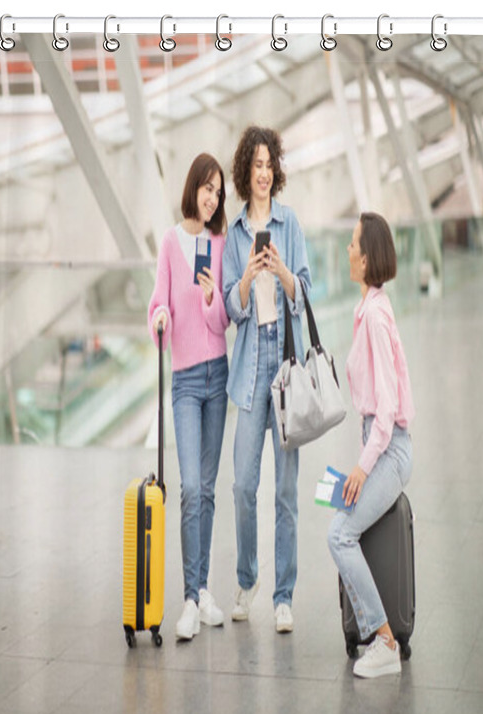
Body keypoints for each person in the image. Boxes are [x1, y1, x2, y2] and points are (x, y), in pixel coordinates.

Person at [222, 125, 312, 634]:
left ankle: (283, 595)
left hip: (285, 366)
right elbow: (232, 312)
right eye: (255, 164)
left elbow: (305, 291)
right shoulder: (235, 233)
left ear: (276, 171)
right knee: (242, 484)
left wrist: (279, 272)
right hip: (250, 371)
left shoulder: (290, 222)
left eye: (269, 163)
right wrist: (246, 279)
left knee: (285, 491)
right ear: (246, 172)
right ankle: (247, 578)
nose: (263, 172)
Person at [327, 212, 415, 678]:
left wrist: (361, 469)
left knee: (338, 535)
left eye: (353, 243)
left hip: (389, 449)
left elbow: (386, 409)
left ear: (368, 255)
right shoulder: (368, 309)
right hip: (377, 445)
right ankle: (374, 633)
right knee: (338, 514)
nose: (347, 249)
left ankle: (384, 642)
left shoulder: (377, 317)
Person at [148, 153, 230, 641]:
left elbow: (221, 323)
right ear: (192, 188)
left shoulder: (218, 245)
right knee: (190, 488)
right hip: (183, 381)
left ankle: (202, 591)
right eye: (207, 187)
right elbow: (159, 302)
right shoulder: (170, 242)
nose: (212, 197)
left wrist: (209, 298)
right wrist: (160, 319)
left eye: (218, 192)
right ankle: (189, 599)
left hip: (217, 377)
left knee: (209, 489)